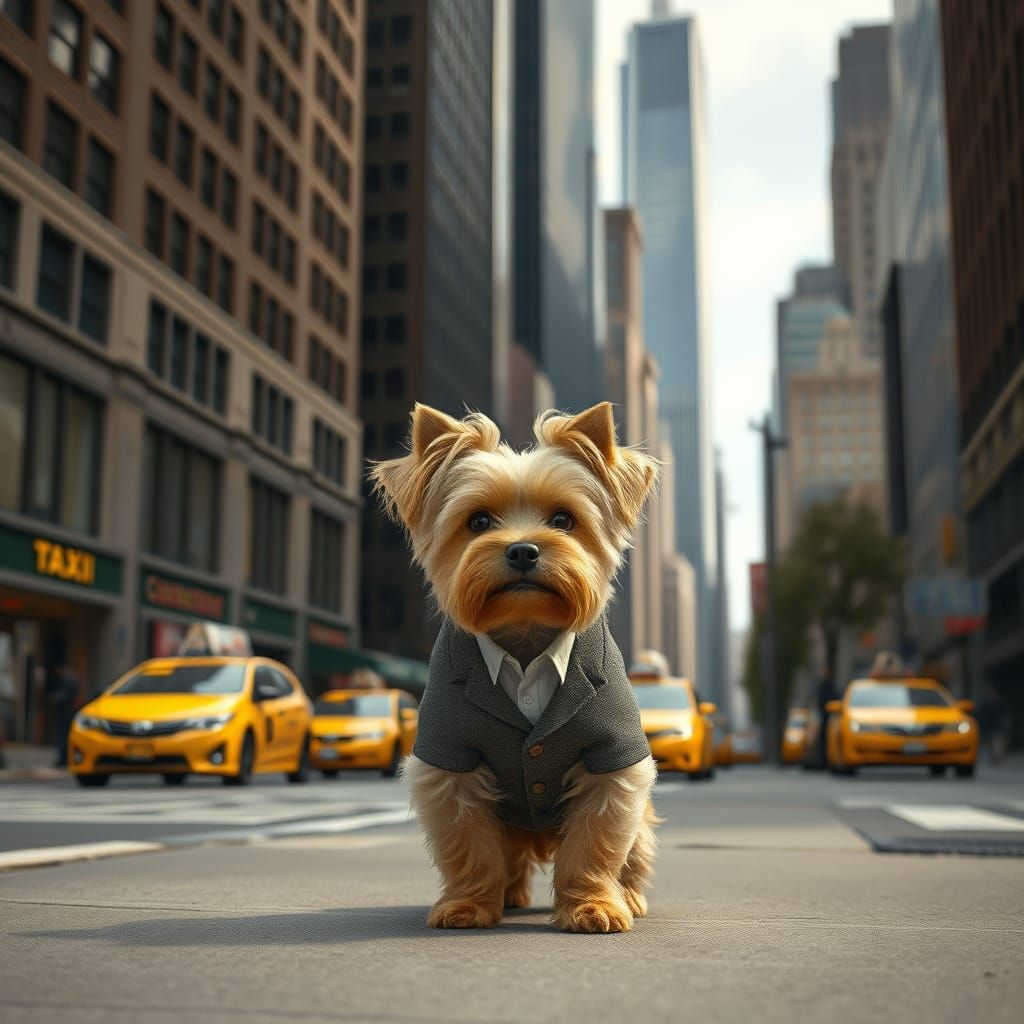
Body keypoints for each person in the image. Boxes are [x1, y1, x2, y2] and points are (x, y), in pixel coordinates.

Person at [46, 664, 80, 768]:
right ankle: (64, 758)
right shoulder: (71, 679)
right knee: (63, 736)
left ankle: (63, 759)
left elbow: (66, 695)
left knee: (63, 736)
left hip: (65, 713)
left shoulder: (68, 680)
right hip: (67, 713)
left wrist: (54, 698)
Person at [975, 686, 1009, 764]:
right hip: (988, 727)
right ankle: (993, 757)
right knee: (990, 744)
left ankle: (996, 757)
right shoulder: (984, 704)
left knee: (997, 743)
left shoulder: (998, 703)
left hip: (997, 726)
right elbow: (980, 715)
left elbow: (1004, 714)